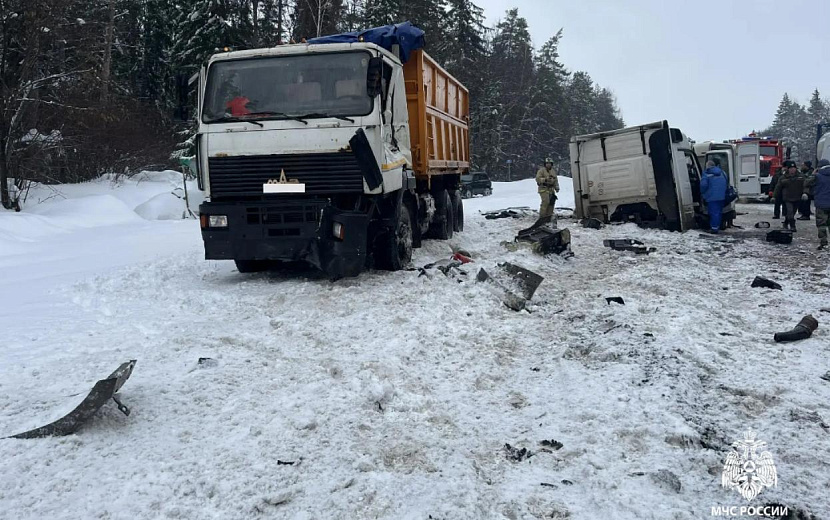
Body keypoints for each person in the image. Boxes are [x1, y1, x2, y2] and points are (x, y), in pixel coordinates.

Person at [804, 159, 830, 250]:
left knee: (821, 224)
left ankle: (823, 242)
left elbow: (806, 183)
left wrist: (813, 173)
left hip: (821, 204)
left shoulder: (817, 176)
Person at [774, 160, 805, 231]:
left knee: (792, 213)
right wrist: (774, 196)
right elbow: (778, 187)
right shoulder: (783, 177)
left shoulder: (801, 176)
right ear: (788, 169)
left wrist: (805, 193)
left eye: (794, 168)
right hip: (787, 198)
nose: (792, 170)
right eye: (791, 168)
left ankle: (785, 223)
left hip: (797, 197)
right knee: (790, 212)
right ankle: (792, 226)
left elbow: (805, 185)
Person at [700, 160, 728, 233]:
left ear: (708, 166)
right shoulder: (722, 172)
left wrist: (702, 193)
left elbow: (703, 185)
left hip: (711, 197)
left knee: (714, 213)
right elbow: (726, 182)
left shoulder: (706, 173)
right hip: (722, 196)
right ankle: (717, 226)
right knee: (718, 212)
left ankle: (714, 229)